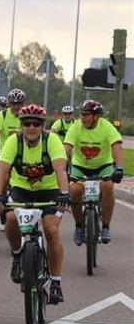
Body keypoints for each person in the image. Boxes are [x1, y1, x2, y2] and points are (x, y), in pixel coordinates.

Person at [0, 104, 69, 304]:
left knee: (51, 230)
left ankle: (56, 282)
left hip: (49, 191)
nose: (31, 127)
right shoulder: (13, 141)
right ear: (21, 125)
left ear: (43, 126)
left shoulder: (52, 141)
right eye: (27, 123)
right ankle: (18, 256)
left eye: (36, 123)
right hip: (21, 191)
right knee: (10, 219)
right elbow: (2, 171)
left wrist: (64, 193)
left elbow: (60, 170)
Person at [64, 100, 125, 244]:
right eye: (81, 115)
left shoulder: (106, 126)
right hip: (80, 166)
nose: (82, 118)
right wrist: (61, 169)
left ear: (96, 116)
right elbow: (66, 148)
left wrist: (119, 168)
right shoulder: (76, 127)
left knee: (107, 186)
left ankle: (105, 226)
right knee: (75, 191)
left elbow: (117, 147)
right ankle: (79, 226)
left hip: (103, 165)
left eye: (86, 115)